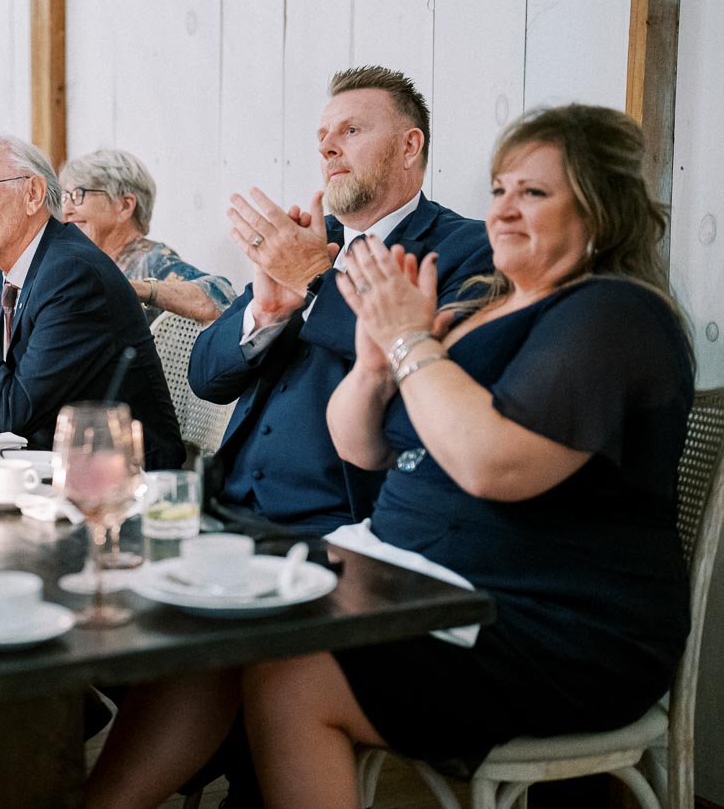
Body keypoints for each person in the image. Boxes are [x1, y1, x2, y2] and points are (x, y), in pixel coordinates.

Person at [83, 103, 694, 809]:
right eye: (498, 190)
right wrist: (375, 366)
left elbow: (491, 465)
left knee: (291, 671)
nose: (505, 209)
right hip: (415, 581)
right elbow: (364, 445)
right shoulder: (485, 302)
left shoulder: (613, 312)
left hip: (541, 619)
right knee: (214, 622)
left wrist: (409, 343)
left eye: (534, 192)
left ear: (602, 203)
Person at [188, 66, 491, 537]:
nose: (328, 148)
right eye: (323, 137)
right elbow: (205, 379)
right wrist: (265, 313)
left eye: (351, 131)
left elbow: (428, 382)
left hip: (344, 523)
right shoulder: (310, 239)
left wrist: (314, 279)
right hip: (223, 506)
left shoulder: (465, 249)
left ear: (410, 146)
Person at [0, 133, 184, 469]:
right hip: (37, 466)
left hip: (117, 478)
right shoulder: (0, 271)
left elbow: (11, 414)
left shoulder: (73, 273)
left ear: (33, 194)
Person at [59, 148, 235, 324]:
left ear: (125, 206)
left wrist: (139, 289)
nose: (66, 210)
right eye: (65, 197)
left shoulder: (152, 260)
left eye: (77, 195)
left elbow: (222, 296)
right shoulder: (80, 263)